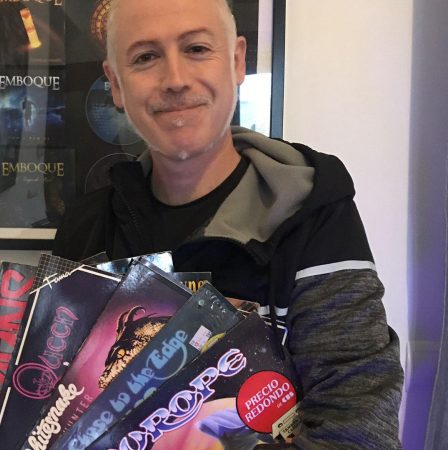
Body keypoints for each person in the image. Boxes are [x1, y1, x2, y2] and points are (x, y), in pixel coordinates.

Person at [53, 0, 404, 447]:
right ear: (116, 85)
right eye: (145, 56)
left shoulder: (313, 214)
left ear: (237, 61)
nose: (175, 79)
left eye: (197, 48)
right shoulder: (85, 228)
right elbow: (50, 415)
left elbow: (358, 429)